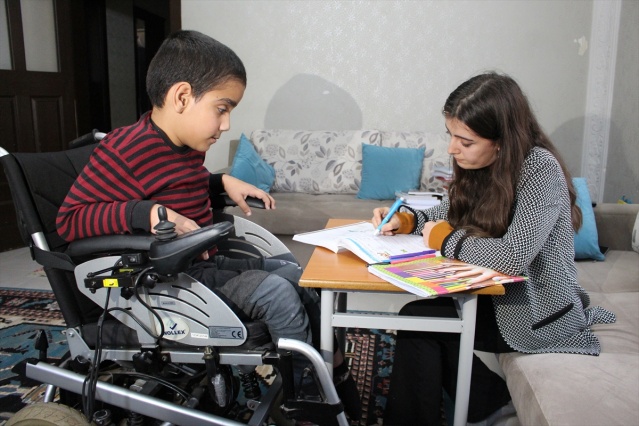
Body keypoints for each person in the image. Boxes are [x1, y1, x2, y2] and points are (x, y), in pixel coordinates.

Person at [56, 30, 360, 421]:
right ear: (182, 97)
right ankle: (304, 396)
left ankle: (332, 366)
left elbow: (182, 186)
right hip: (164, 283)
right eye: (222, 108)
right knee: (277, 294)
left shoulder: (184, 147)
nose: (227, 124)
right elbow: (70, 220)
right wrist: (146, 213)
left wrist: (221, 182)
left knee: (297, 275)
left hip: (203, 268)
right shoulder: (124, 149)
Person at [372, 72, 616, 425]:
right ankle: (486, 400)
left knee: (422, 319)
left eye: (465, 141)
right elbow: (447, 213)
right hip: (499, 295)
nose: (452, 149)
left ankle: (485, 401)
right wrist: (408, 219)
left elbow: (513, 256)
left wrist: (446, 240)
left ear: (501, 141)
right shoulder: (483, 165)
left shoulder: (540, 169)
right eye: (451, 136)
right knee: (421, 316)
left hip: (536, 311)